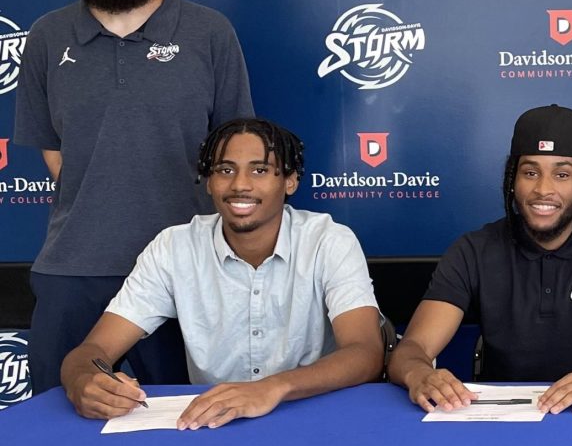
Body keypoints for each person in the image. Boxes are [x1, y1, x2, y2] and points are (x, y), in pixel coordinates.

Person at [12, 0, 253, 394]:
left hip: (188, 269)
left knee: (187, 419)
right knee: (60, 417)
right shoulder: (47, 36)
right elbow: (52, 147)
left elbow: (237, 151)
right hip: (74, 269)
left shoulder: (209, 32)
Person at [61, 118, 383, 429]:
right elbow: (92, 351)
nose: (240, 185)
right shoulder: (174, 247)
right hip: (216, 425)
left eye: (259, 170)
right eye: (225, 170)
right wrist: (84, 381)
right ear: (209, 181)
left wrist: (272, 388)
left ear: (290, 181)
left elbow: (365, 353)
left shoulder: (328, 240)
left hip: (315, 415)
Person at [389, 104, 572, 415]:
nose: (543, 189)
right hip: (504, 417)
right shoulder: (473, 250)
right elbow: (413, 348)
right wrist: (419, 374)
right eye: (530, 173)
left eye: (562, 174)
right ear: (513, 180)